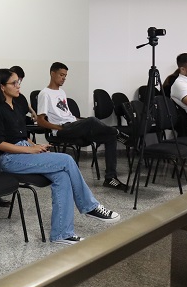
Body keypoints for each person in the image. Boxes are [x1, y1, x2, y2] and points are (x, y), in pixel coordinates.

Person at [0, 69, 120, 245]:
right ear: (2, 87)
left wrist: (35, 146)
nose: (18, 86)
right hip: (10, 158)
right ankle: (90, 206)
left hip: (24, 150)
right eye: (14, 83)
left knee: (62, 176)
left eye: (19, 82)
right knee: (67, 159)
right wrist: (29, 151)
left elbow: (21, 136)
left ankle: (62, 233)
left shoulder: (17, 105)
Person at [36, 62, 128, 191]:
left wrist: (80, 120)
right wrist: (59, 128)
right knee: (92, 121)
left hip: (72, 125)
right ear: (52, 73)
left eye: (65, 76)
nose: (64, 78)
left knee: (110, 137)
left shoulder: (61, 92)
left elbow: (68, 115)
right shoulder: (45, 94)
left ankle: (110, 178)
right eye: (61, 75)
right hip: (61, 130)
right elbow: (40, 121)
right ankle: (117, 132)